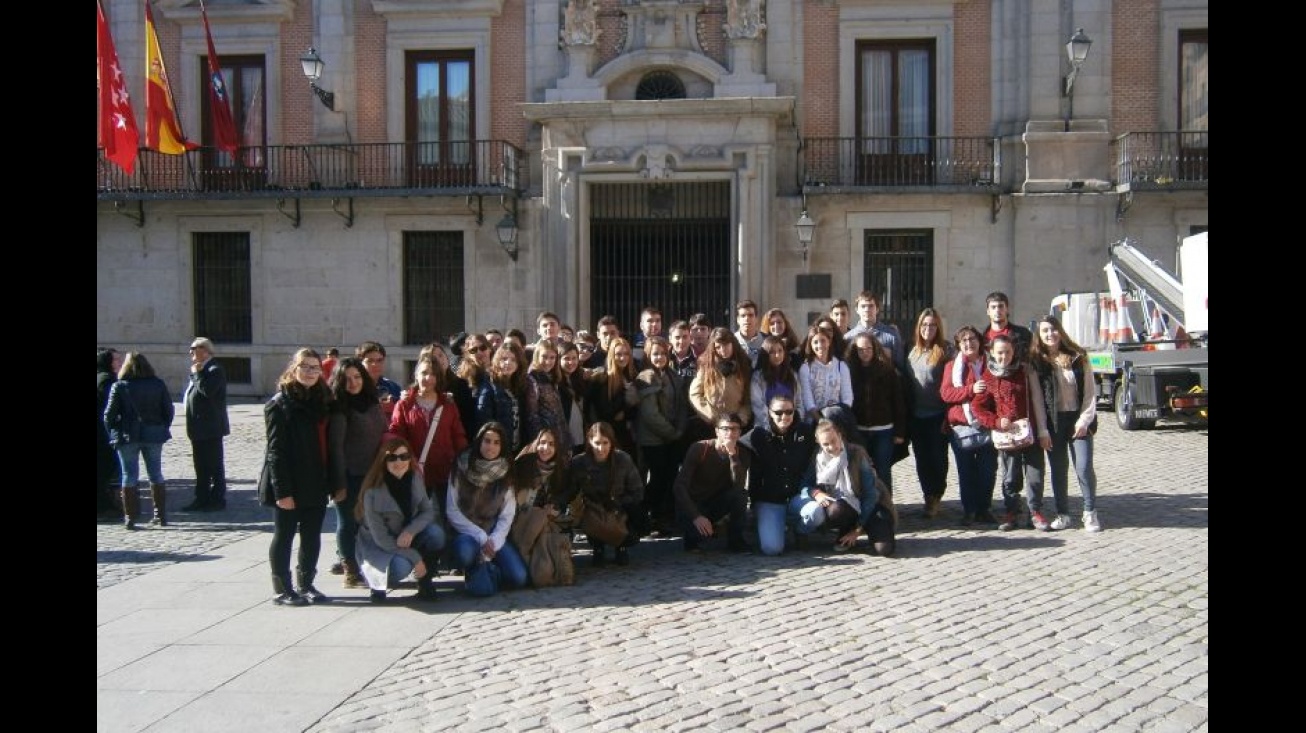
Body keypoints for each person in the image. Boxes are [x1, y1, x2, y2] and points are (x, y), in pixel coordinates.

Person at [258, 348, 337, 606]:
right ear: (294, 368)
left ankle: (306, 584)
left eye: (315, 368)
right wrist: (282, 492)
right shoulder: (279, 404)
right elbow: (275, 452)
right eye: (305, 367)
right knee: (284, 535)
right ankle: (281, 588)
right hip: (289, 480)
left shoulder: (323, 400)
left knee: (312, 536)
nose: (311, 372)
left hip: (314, 479)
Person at [970, 334, 1051, 532]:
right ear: (992, 353)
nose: (1003, 356)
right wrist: (996, 421)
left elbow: (1038, 401)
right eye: (999, 353)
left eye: (1007, 352)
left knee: (1035, 474)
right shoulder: (988, 376)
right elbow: (978, 408)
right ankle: (1012, 512)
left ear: (1013, 351)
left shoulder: (1024, 371)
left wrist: (1042, 430)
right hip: (1006, 435)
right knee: (1010, 476)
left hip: (1029, 432)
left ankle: (1035, 512)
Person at [1030, 315, 1103, 532]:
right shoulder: (1037, 363)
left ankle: (1090, 512)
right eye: (1045, 331)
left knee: (1083, 467)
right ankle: (1063, 514)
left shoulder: (1078, 357)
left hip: (1078, 419)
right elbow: (1037, 399)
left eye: (1053, 329)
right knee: (1058, 469)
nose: (1050, 334)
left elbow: (1090, 394)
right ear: (1040, 336)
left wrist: (1084, 420)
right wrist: (1042, 429)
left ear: (1060, 331)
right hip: (1054, 422)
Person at [354, 436, 445, 603]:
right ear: (383, 461)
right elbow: (381, 540)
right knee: (401, 566)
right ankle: (376, 585)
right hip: (379, 546)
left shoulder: (415, 479)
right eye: (392, 458)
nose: (399, 462)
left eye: (404, 456)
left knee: (436, 534)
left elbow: (427, 511)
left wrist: (411, 531)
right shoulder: (372, 493)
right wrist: (415, 558)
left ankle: (425, 581)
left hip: (407, 536)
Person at [791, 419, 897, 556]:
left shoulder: (857, 453)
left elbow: (871, 494)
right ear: (818, 442)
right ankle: (845, 531)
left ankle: (861, 530)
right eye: (826, 444)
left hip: (872, 506)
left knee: (884, 550)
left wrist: (858, 530)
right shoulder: (817, 457)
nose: (831, 447)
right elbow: (805, 484)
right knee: (835, 510)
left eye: (834, 441)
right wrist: (816, 493)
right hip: (845, 507)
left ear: (840, 435)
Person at [446, 422, 530, 594]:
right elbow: (452, 509)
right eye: (487, 441)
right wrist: (480, 536)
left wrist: (494, 540)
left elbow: (507, 513)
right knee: (465, 552)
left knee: (519, 578)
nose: (491, 446)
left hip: (493, 532)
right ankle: (473, 568)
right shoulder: (462, 465)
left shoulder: (506, 471)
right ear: (479, 442)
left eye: (496, 442)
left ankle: (489, 567)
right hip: (466, 532)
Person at [326, 356, 387, 588]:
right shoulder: (339, 409)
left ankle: (367, 563)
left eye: (357, 377)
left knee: (368, 523)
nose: (353, 383)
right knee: (347, 523)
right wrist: (338, 483)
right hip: (349, 474)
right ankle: (349, 569)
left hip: (373, 474)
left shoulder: (371, 402)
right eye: (347, 379)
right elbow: (336, 448)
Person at [104, 352, 175, 530]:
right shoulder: (157, 384)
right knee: (156, 474)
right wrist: (162, 427)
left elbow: (109, 415)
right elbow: (168, 410)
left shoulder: (120, 386)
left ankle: (130, 517)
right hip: (153, 434)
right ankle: (160, 514)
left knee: (129, 476)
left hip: (127, 435)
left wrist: (113, 432)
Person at [562, 422, 646, 566]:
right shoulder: (579, 463)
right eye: (597, 443)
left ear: (611, 442)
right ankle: (598, 547)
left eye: (605, 443)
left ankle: (622, 545)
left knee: (638, 518)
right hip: (593, 510)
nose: (601, 448)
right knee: (591, 516)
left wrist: (619, 504)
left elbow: (637, 490)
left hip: (619, 507)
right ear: (589, 442)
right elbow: (570, 490)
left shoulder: (623, 460)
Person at [389, 354, 469, 503]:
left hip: (444, 471)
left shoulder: (448, 403)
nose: (428, 378)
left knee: (448, 519)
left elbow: (458, 435)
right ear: (416, 375)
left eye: (433, 374)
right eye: (424, 373)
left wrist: (464, 461)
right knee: (418, 517)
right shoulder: (405, 404)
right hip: (414, 471)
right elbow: (396, 435)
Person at [742, 395, 815, 556]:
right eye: (779, 412)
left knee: (816, 512)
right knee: (772, 549)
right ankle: (771, 524)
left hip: (797, 495)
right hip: (769, 499)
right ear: (769, 412)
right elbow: (736, 445)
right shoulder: (757, 435)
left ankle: (800, 531)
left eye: (789, 412)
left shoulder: (805, 431)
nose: (784, 416)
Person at [939, 326, 999, 525]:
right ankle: (970, 510)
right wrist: (971, 389)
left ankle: (985, 508)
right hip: (961, 426)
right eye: (963, 341)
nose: (968, 343)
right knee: (966, 471)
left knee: (988, 470)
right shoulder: (952, 367)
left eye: (972, 339)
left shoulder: (991, 363)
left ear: (979, 341)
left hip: (987, 424)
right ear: (958, 345)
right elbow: (946, 393)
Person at [672, 412, 751, 553]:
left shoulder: (742, 453)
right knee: (697, 540)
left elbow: (738, 485)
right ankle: (696, 536)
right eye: (725, 429)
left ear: (740, 432)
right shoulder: (700, 449)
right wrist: (696, 516)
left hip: (716, 503)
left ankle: (735, 541)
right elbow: (679, 487)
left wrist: (733, 455)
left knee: (740, 495)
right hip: (693, 505)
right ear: (717, 431)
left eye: (735, 429)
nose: (730, 433)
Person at [635, 335, 686, 535]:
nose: (660, 357)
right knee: (657, 480)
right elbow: (650, 414)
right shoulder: (646, 377)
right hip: (653, 439)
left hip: (672, 437)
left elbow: (681, 406)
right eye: (656, 354)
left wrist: (679, 430)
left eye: (663, 353)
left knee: (670, 478)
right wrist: (671, 432)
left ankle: (663, 517)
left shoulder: (673, 376)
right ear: (649, 355)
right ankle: (644, 515)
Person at [905, 308, 954, 518]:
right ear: (918, 327)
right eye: (924, 325)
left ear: (938, 328)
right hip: (916, 415)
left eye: (932, 325)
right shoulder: (911, 351)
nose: (928, 329)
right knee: (922, 459)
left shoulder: (945, 350)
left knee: (938, 458)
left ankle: (937, 495)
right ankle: (928, 496)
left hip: (938, 415)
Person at [845, 331, 906, 492]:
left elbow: (898, 401)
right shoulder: (849, 372)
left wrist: (900, 431)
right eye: (860, 349)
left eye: (868, 348)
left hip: (884, 430)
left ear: (875, 349)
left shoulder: (887, 371)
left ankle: (886, 510)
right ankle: (865, 509)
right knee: (861, 471)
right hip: (859, 430)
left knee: (883, 471)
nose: (864, 352)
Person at [182, 337, 231, 512]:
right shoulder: (202, 369)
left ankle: (217, 498)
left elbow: (207, 391)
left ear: (205, 350)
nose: (191, 352)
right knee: (200, 465)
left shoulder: (214, 369)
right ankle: (201, 498)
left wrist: (197, 373)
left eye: (193, 348)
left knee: (214, 465)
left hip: (211, 427)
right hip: (198, 427)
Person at [689, 327, 753, 441]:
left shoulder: (744, 366)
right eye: (718, 347)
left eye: (726, 345)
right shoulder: (707, 366)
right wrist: (712, 416)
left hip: (736, 424)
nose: (723, 350)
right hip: (712, 424)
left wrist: (741, 418)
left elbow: (748, 397)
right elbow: (695, 394)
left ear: (733, 343)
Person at [584, 336, 640, 454]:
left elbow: (636, 409)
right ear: (611, 355)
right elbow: (606, 411)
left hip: (628, 435)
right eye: (618, 354)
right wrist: (625, 396)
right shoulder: (600, 378)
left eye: (626, 354)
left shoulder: (633, 376)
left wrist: (625, 413)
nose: (622, 358)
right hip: (605, 437)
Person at [524, 339, 573, 457]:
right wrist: (542, 441)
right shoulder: (532, 379)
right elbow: (532, 415)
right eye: (544, 356)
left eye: (552, 357)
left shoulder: (551, 377)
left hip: (559, 435)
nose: (548, 361)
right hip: (545, 440)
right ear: (537, 356)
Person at [798, 324, 853, 426]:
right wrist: (821, 421)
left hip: (838, 419)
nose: (819, 346)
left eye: (823, 341)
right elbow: (807, 400)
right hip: (815, 422)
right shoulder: (805, 368)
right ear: (810, 345)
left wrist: (838, 416)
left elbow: (847, 398)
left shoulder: (841, 366)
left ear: (829, 342)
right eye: (815, 342)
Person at [480, 342, 528, 453]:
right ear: (497, 360)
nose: (508, 363)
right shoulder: (489, 384)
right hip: (497, 449)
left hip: (516, 447)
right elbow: (484, 420)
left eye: (513, 360)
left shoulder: (518, 384)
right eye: (504, 358)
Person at [846, 291, 906, 373]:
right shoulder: (848, 338)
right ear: (857, 310)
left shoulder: (892, 335)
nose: (867, 310)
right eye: (863, 306)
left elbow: (900, 366)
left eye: (871, 306)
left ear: (877, 309)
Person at [751, 335, 804, 428]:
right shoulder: (758, 377)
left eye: (780, 351)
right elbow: (758, 406)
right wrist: (773, 426)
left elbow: (799, 402)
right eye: (772, 352)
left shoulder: (792, 375)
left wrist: (795, 421)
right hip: (766, 426)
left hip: (791, 424)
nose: (777, 355)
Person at [97, 347, 124, 521]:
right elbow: (111, 408)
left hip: (102, 432)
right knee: (104, 470)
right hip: (103, 433)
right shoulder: (106, 380)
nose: (119, 363)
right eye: (115, 360)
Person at [452, 333, 494, 438]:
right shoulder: (462, 379)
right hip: (474, 434)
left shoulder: (500, 372)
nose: (479, 352)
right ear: (468, 354)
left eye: (483, 347)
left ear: (490, 349)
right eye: (473, 350)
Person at [983, 291, 1034, 365]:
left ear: (1007, 309)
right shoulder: (982, 339)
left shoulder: (1023, 334)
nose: (997, 310)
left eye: (1001, 306)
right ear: (988, 311)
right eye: (993, 307)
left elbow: (1033, 358)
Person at [357, 341, 402, 420]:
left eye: (379, 360)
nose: (375, 364)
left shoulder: (393, 388)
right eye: (370, 361)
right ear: (360, 363)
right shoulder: (353, 387)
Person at [557, 341, 588, 452]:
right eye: (566, 358)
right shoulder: (555, 382)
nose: (571, 362)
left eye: (574, 358)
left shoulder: (579, 378)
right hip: (563, 439)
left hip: (580, 436)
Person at [733, 299, 765, 367]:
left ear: (756, 319)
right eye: (743, 316)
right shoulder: (731, 340)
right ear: (738, 320)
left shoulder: (766, 340)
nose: (747, 319)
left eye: (750, 315)